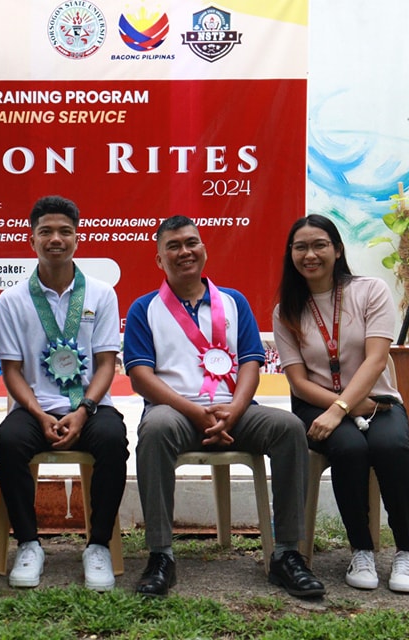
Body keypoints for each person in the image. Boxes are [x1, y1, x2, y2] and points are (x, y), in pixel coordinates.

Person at [123, 215, 324, 599]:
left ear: (204, 249)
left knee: (288, 428)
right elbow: (140, 376)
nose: (185, 251)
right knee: (155, 428)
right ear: (159, 258)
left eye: (191, 242)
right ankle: (161, 555)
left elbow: (251, 362)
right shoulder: (144, 308)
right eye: (173, 246)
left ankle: (287, 554)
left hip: (237, 412)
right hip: (176, 414)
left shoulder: (233, 302)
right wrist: (195, 412)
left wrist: (234, 409)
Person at [273, 214, 409, 593]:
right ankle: (362, 549)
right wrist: (343, 407)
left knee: (390, 447)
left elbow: (376, 360)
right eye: (300, 247)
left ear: (337, 250)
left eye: (319, 245)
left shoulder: (370, 291)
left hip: (377, 399)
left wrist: (345, 407)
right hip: (315, 405)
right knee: (350, 448)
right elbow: (298, 382)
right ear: (291, 254)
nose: (310, 254)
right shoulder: (286, 310)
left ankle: (406, 552)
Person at [0, 195, 128, 591]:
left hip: (90, 406)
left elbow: (106, 364)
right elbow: (12, 371)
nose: (56, 239)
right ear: (31, 239)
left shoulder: (101, 294)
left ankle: (98, 545)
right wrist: (38, 414)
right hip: (34, 409)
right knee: (8, 441)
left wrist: (84, 409)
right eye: (46, 232)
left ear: (77, 238)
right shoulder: (12, 300)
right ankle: (29, 544)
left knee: (113, 439)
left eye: (65, 231)